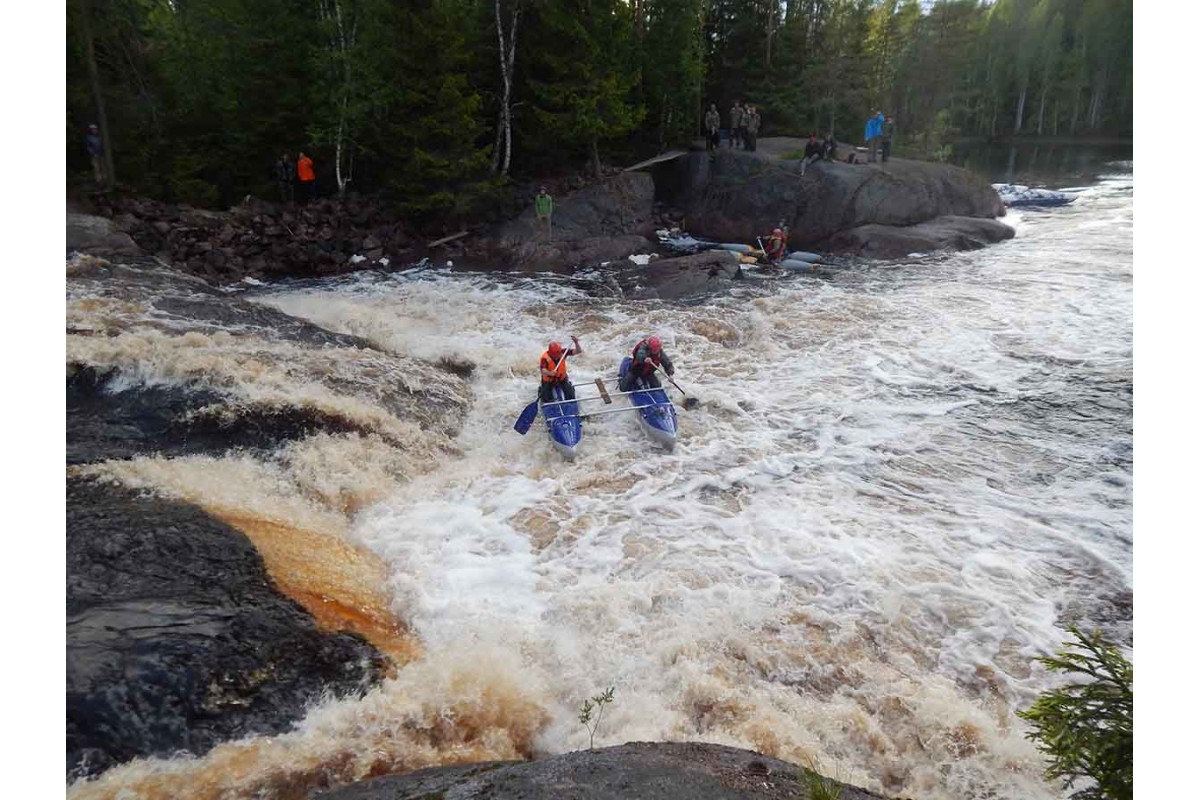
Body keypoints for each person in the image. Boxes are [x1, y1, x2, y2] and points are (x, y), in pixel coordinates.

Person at [539, 335, 582, 404]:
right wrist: (550, 373)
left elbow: (578, 351)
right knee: (547, 398)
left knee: (570, 394)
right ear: (551, 353)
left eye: (558, 354)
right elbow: (543, 370)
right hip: (549, 380)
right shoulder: (545, 358)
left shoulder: (563, 352)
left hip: (562, 378)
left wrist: (576, 342)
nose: (557, 356)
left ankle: (571, 406)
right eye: (555, 355)